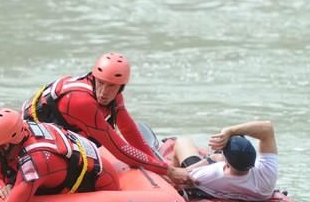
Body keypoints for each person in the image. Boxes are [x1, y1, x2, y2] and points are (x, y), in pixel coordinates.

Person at [23, 52, 189, 185]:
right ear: (93, 78)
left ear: (121, 87)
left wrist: (157, 166)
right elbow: (120, 149)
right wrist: (169, 171)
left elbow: (129, 130)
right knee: (105, 176)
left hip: (57, 134)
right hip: (35, 144)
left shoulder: (115, 98)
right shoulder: (80, 101)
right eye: (101, 83)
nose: (103, 92)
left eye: (111, 86)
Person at [0, 108, 121, 202]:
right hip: (59, 176)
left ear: (5, 145)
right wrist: (1, 188)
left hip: (99, 185)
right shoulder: (20, 135)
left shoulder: (37, 160)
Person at [170, 121, 278, 201]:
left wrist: (210, 159)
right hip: (242, 185)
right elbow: (267, 129)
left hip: (212, 181)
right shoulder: (267, 175)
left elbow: (178, 176)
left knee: (182, 141)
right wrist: (231, 132)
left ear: (226, 160)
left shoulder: (208, 175)